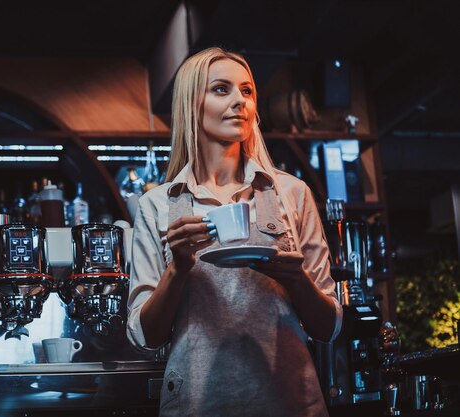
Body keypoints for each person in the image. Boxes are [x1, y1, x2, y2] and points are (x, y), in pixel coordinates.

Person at [126, 47, 342, 417]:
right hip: (197, 403)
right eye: (221, 89)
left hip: (291, 403)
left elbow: (328, 328)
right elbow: (146, 337)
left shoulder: (291, 193)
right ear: (191, 103)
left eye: (247, 91)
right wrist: (177, 268)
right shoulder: (159, 204)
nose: (239, 101)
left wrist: (297, 279)